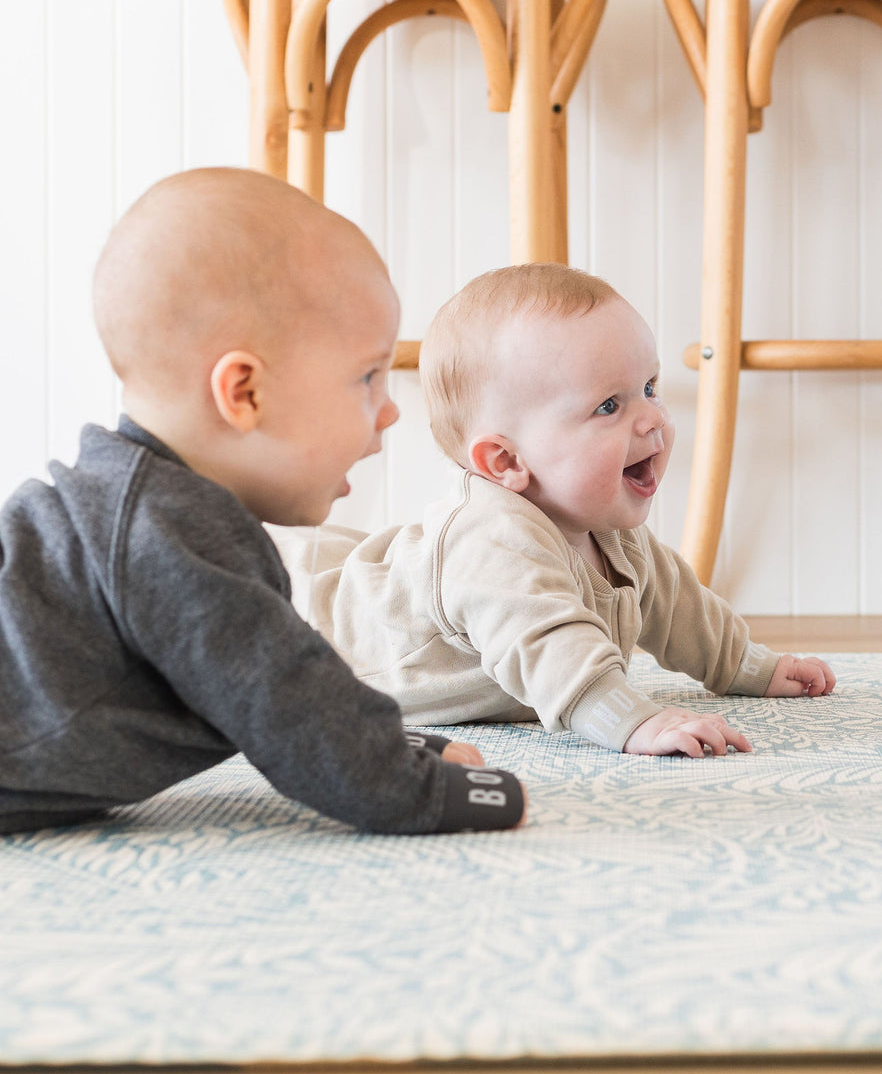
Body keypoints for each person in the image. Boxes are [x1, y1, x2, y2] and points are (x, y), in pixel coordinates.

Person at [0, 169, 525, 835]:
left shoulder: (150, 512)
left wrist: (377, 739)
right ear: (244, 393)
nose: (390, 410)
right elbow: (283, 697)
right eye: (367, 376)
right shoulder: (170, 532)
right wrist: (414, 786)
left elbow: (280, 694)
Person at [272, 264, 836, 758]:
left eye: (650, 386)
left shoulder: (604, 528)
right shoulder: (492, 541)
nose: (652, 420)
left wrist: (748, 667)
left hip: (378, 575)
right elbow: (549, 647)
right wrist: (634, 720)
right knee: (269, 577)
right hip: (307, 636)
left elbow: (677, 604)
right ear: (507, 460)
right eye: (609, 406)